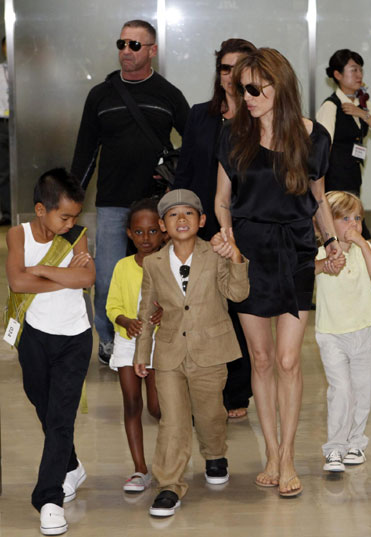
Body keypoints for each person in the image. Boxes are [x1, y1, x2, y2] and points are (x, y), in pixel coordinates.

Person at [215, 48, 339, 497]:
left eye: (254, 88)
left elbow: (319, 198)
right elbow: (222, 200)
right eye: (241, 88)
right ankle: (270, 451)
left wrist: (331, 241)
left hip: (297, 253)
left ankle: (287, 456)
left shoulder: (313, 137)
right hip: (249, 255)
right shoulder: (233, 136)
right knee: (261, 359)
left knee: (289, 360)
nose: (245, 97)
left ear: (278, 86)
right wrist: (226, 236)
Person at [71, 19, 190, 365]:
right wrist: (72, 199)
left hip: (154, 205)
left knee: (157, 276)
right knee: (107, 278)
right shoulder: (100, 95)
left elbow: (193, 144)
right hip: (111, 202)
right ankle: (108, 341)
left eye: (135, 45)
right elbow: (85, 150)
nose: (126, 51)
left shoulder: (168, 95)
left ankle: (159, 339)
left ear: (152, 50)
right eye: (122, 44)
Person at [134, 189, 249, 517]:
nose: (180, 219)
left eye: (188, 213)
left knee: (211, 413)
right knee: (173, 421)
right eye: (172, 215)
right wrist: (142, 351)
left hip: (211, 350)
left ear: (201, 220)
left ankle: (215, 453)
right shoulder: (154, 263)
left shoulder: (215, 254)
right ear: (162, 225)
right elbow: (146, 309)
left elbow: (238, 293)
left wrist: (235, 256)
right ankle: (168, 485)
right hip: (169, 352)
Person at [5, 168, 95, 535]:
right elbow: (16, 281)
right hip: (34, 337)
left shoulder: (77, 236)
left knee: (60, 418)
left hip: (75, 338)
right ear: (41, 210)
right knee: (41, 403)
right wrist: (61, 276)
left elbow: (86, 279)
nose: (72, 222)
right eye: (65, 216)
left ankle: (49, 498)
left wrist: (41, 270)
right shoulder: (17, 235)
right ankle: (71, 464)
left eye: (75, 216)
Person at [174, 38, 256, 419]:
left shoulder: (261, 115)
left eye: (239, 68)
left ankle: (238, 392)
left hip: (249, 227)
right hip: (204, 227)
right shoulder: (199, 115)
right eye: (224, 68)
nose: (230, 75)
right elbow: (186, 171)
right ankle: (204, 391)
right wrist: (182, 222)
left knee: (242, 310)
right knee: (205, 312)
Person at [316, 49, 371, 316]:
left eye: (360, 69)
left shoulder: (362, 104)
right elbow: (321, 147)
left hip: (352, 181)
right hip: (334, 183)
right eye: (352, 69)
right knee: (354, 235)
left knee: (350, 238)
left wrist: (362, 114)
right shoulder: (330, 106)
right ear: (337, 75)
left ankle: (367, 295)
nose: (359, 74)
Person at [315, 191, 371, 472]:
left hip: (364, 330)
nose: (353, 224)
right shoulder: (320, 252)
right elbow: (307, 272)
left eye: (357, 218)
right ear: (327, 223)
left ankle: (356, 442)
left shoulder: (362, 249)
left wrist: (363, 244)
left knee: (363, 390)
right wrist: (328, 263)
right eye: (345, 219)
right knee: (340, 390)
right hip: (332, 333)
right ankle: (335, 447)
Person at [106, 198, 162, 492]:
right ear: (129, 233)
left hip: (158, 345)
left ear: (163, 231)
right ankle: (140, 469)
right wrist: (126, 321)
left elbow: (181, 301)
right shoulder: (123, 267)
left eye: (152, 231)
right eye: (138, 233)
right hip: (127, 343)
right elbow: (111, 305)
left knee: (156, 407)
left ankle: (168, 459)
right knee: (132, 404)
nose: (146, 239)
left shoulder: (169, 265)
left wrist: (165, 312)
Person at [0, 36, 10, 225]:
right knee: (3, 171)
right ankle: (8, 213)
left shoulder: (28, 70)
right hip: (2, 122)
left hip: (25, 123)